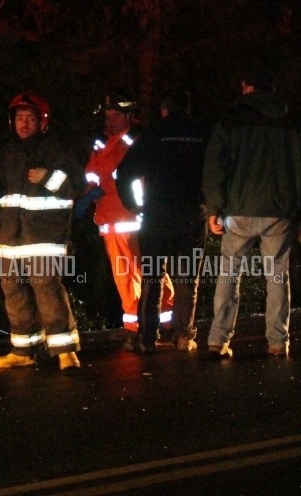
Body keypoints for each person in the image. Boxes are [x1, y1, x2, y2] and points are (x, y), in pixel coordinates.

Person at [203, 64, 301, 358]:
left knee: (229, 273)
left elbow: (215, 166)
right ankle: (277, 342)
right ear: (272, 88)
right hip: (280, 212)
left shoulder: (230, 121)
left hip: (239, 210)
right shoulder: (293, 123)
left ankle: (218, 339)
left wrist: (214, 207)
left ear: (245, 86)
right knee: (277, 276)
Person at [0, 91, 84, 371]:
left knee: (48, 291)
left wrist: (48, 177)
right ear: (11, 121)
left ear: (42, 122)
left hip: (43, 238)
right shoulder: (5, 154)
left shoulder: (54, 150)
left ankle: (66, 352)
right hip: (8, 239)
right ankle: (23, 351)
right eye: (19, 118)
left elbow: (78, 185)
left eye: (30, 118)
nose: (24, 123)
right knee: (14, 296)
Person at [79, 93, 174, 350]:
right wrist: (83, 203)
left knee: (141, 274)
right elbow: (93, 180)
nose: (110, 120)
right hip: (113, 219)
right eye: (107, 116)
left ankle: (147, 326)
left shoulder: (134, 142)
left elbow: (138, 181)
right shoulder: (102, 146)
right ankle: (154, 324)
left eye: (115, 115)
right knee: (133, 276)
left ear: (130, 117)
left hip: (130, 218)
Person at [116, 88, 207, 353]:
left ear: (164, 111)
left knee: (152, 276)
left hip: (157, 215)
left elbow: (125, 172)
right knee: (187, 277)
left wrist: (133, 204)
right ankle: (184, 336)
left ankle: (146, 339)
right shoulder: (201, 135)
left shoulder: (152, 135)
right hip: (192, 214)